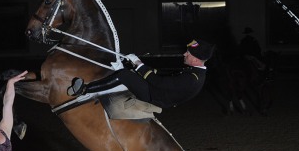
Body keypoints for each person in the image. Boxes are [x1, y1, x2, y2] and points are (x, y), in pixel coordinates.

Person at [67, 39, 215, 109]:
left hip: (154, 97)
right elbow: (164, 75)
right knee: (130, 71)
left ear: (195, 59)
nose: (184, 54)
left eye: (188, 53)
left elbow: (159, 82)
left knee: (125, 75)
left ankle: (84, 90)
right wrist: (139, 65)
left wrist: (139, 66)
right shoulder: (194, 72)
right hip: (158, 92)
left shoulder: (192, 79)